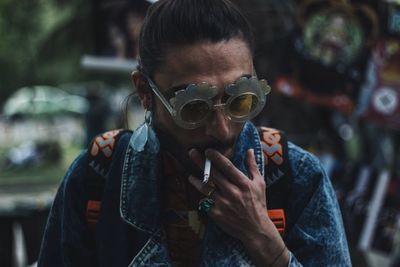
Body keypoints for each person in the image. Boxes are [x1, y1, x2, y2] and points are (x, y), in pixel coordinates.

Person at [38, 0, 352, 266]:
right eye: (193, 107)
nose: (221, 128)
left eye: (240, 100)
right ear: (145, 91)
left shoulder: (296, 177)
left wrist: (265, 241)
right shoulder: (97, 177)